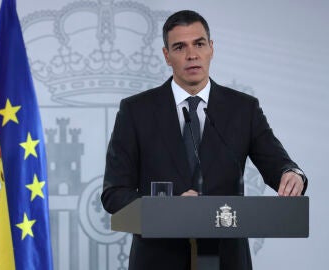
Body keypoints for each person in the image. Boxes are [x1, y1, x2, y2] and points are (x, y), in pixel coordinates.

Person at [101, 10, 307, 270]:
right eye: (179, 47)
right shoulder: (136, 111)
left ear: (211, 48)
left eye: (199, 44)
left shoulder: (243, 109)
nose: (191, 55)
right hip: (158, 260)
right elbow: (114, 194)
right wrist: (169, 208)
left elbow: (278, 163)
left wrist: (291, 173)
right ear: (166, 56)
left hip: (227, 259)